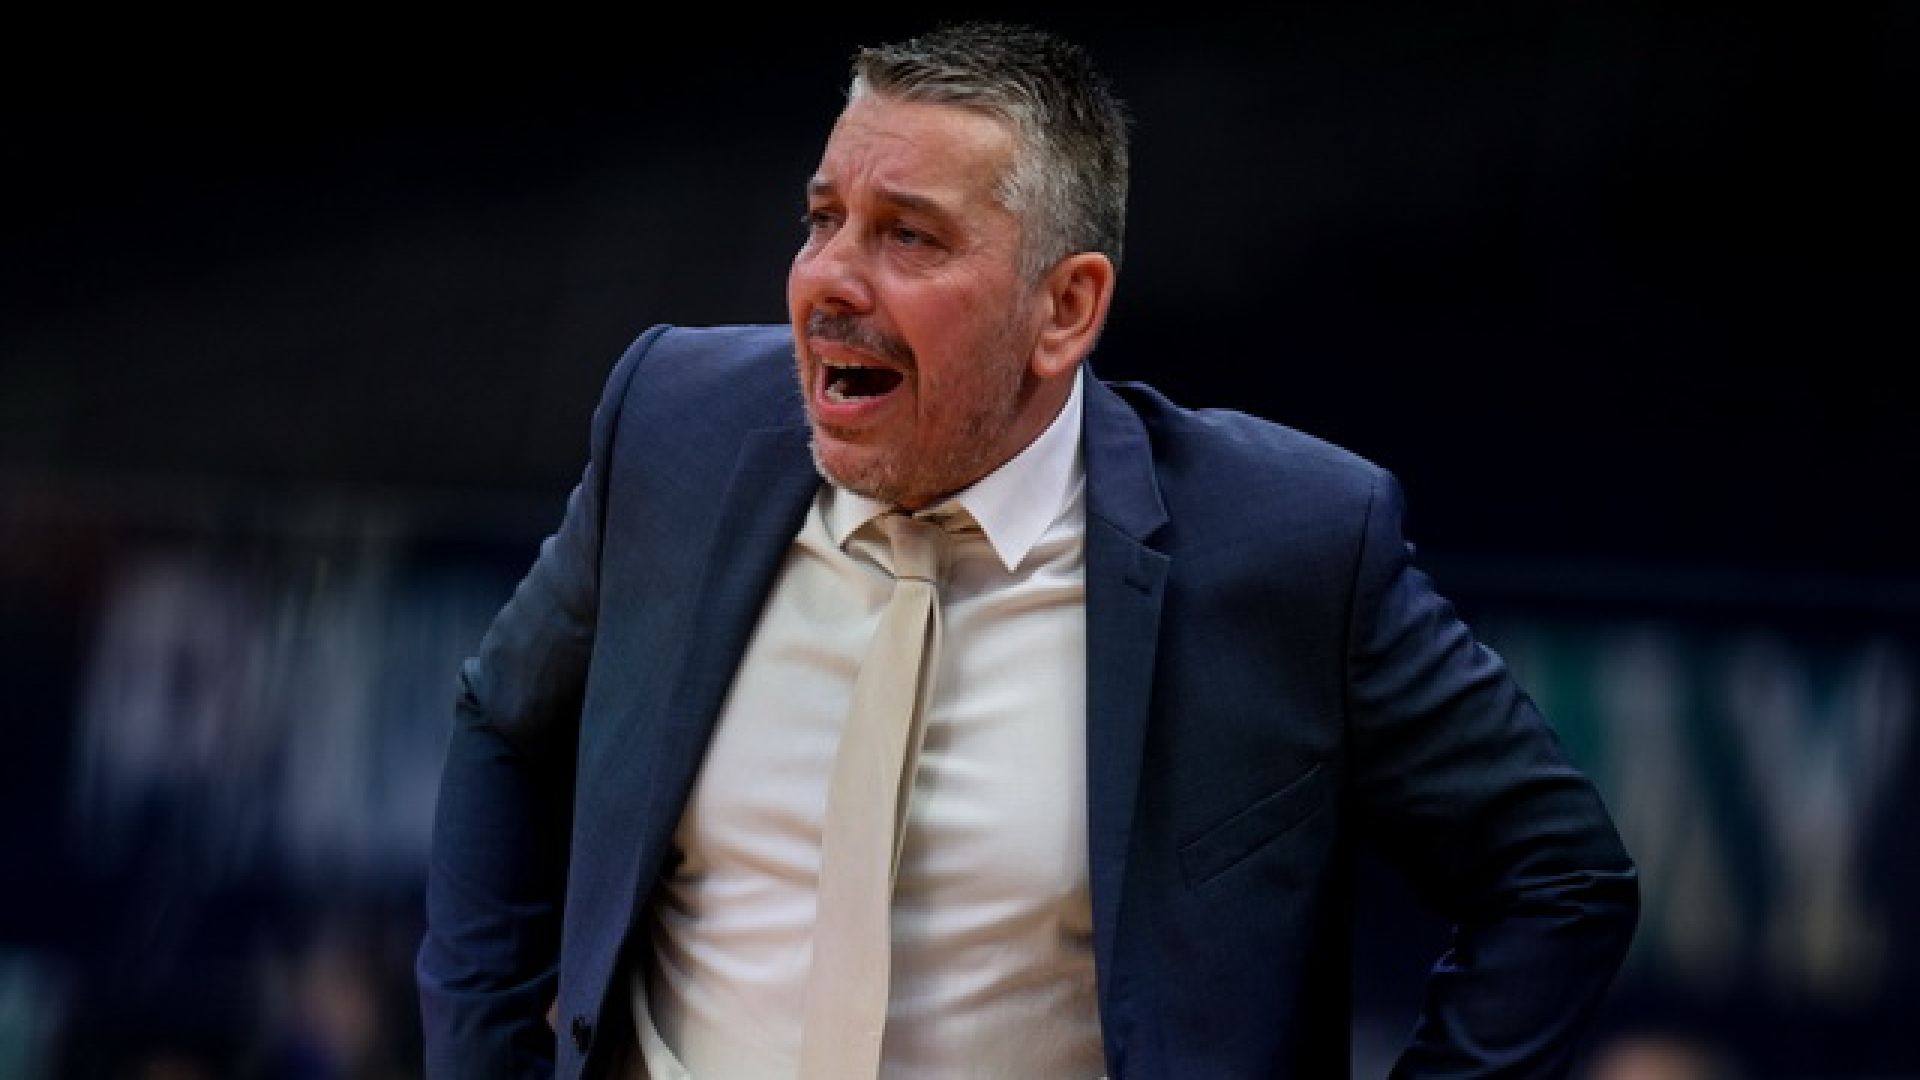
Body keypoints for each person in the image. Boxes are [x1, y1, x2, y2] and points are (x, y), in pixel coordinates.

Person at [416, 20, 1640, 1080]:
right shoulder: (674, 427)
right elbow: (505, 720)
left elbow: (1558, 877)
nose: (829, 279)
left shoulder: (1289, 546)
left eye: (909, 237)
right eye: (824, 218)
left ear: (1066, 309)